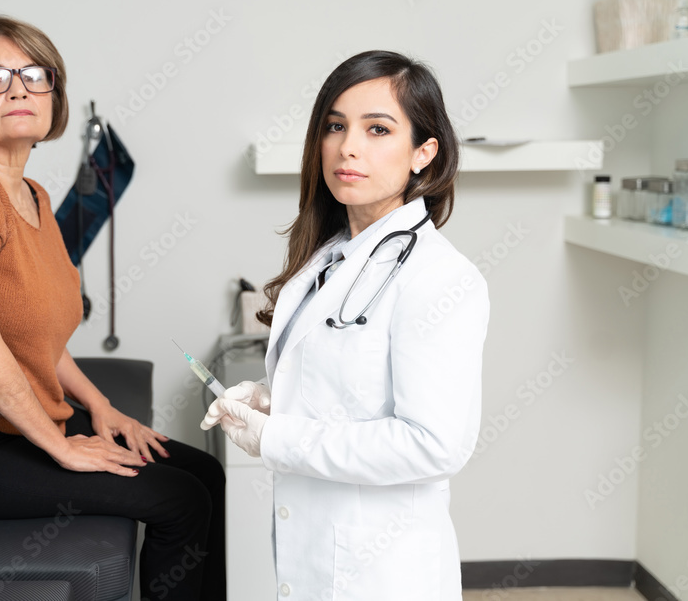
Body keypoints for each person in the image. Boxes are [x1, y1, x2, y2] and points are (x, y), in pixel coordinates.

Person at [0, 15, 225, 601]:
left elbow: (37, 339)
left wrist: (100, 409)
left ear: (53, 97)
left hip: (16, 422)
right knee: (179, 499)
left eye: (34, 75)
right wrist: (61, 446)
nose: (18, 89)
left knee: (204, 472)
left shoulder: (34, 197)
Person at [203, 50, 489, 600]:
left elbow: (434, 444)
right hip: (314, 552)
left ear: (424, 153)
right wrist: (270, 399)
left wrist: (278, 437)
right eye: (335, 126)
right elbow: (344, 386)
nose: (347, 146)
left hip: (383, 571)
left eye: (378, 129)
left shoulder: (439, 277)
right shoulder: (329, 257)